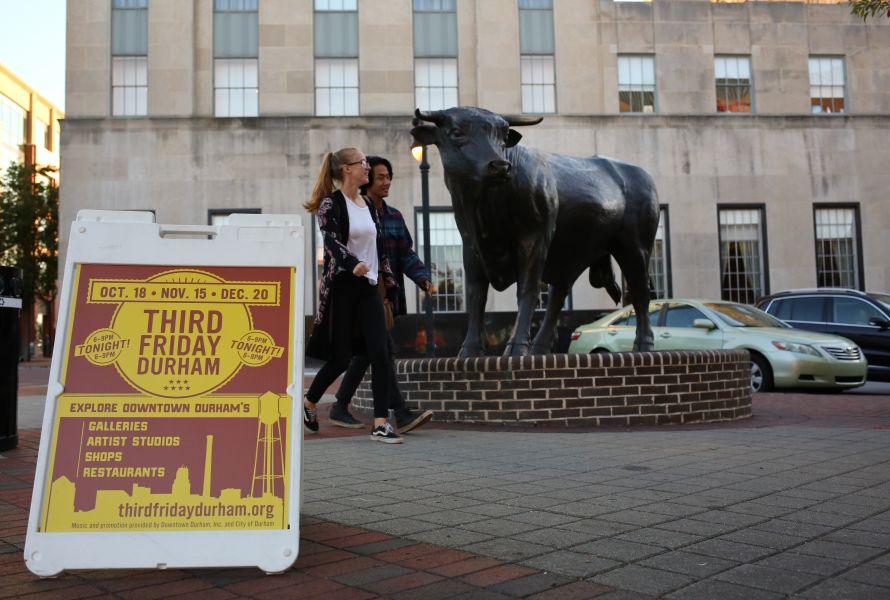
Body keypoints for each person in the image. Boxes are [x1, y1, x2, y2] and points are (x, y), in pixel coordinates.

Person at [328, 156, 434, 433]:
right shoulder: (353, 213)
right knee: (383, 352)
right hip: (361, 295)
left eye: (389, 177)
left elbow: (405, 253)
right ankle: (400, 412)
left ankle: (340, 406)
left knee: (368, 353)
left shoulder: (394, 217)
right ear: (367, 181)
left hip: (385, 296)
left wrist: (422, 278)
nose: (386, 182)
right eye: (380, 177)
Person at [303, 147, 402, 444]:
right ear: (347, 169)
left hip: (369, 286)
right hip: (344, 286)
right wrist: (352, 263)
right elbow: (331, 241)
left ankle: (380, 423)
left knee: (380, 354)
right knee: (341, 358)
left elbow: (379, 246)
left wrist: (387, 280)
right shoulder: (330, 205)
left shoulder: (368, 205)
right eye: (362, 164)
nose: (367, 168)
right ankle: (309, 402)